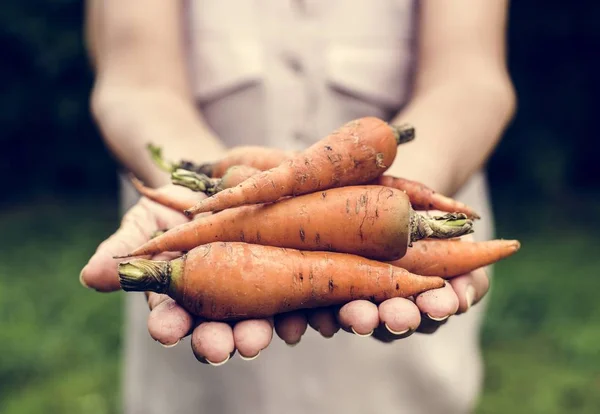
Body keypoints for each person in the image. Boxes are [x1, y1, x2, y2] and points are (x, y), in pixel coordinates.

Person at [80, 0, 516, 413]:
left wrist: (391, 200)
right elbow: (136, 85)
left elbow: (470, 80)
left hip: (399, 361)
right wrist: (203, 192)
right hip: (204, 366)